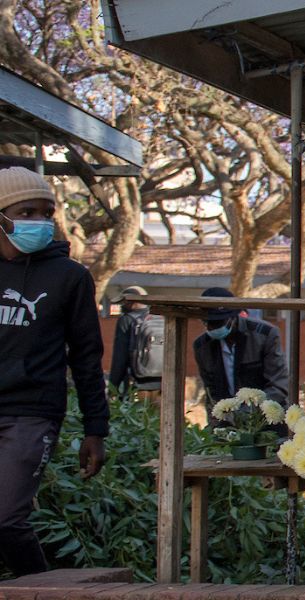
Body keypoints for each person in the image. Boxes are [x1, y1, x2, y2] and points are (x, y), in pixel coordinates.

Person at [0, 166, 108, 576]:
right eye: (27, 211)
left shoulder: (70, 277)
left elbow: (86, 357)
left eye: (47, 212)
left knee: (6, 520)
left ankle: (41, 589)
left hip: (31, 413)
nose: (39, 222)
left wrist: (95, 429)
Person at [192, 287, 292, 409]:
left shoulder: (264, 335)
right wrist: (218, 420)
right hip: (227, 420)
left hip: (266, 417)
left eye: (218, 323)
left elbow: (279, 385)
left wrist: (247, 412)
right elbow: (211, 392)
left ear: (232, 318)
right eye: (208, 323)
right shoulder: (202, 347)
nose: (212, 328)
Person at [108, 286, 164, 395]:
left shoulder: (126, 320)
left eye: (124, 302)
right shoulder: (160, 317)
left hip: (135, 383)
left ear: (132, 302)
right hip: (161, 383)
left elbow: (119, 358)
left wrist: (112, 388)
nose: (122, 306)